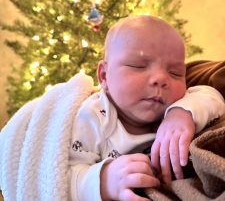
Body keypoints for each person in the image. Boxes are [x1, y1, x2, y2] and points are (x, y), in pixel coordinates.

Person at [69, 15, 225, 201]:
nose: (161, 78)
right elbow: (65, 175)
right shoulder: (93, 117)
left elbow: (212, 97)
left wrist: (181, 113)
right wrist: (103, 181)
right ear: (104, 76)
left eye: (175, 73)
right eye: (138, 66)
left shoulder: (177, 104)